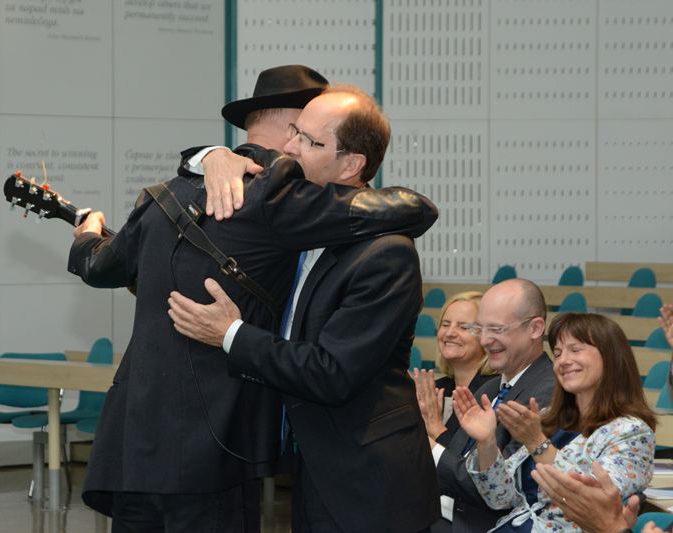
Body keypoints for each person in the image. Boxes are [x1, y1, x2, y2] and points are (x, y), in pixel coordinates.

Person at [68, 67, 439, 532]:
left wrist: (230, 333)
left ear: (350, 163)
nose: (291, 149)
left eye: (308, 139)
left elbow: (99, 265)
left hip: (350, 474)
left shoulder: (167, 198)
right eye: (295, 134)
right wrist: (213, 156)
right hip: (218, 447)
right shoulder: (280, 205)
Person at [455, 312, 657, 532]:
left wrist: (537, 443)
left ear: (610, 357)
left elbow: (591, 504)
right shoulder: (550, 417)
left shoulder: (632, 432)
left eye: (575, 350)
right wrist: (487, 442)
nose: (563, 361)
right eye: (558, 353)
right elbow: (500, 498)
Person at [432, 279, 556, 533]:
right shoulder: (490, 388)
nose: (486, 340)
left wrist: (429, 448)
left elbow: (498, 491)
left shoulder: (548, 392)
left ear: (535, 328)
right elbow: (458, 462)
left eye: (497, 329)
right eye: (481, 329)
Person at [410, 291, 497, 444]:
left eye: (463, 327)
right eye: (445, 324)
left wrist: (435, 426)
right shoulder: (435, 390)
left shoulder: (494, 393)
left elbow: (467, 458)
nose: (449, 333)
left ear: (485, 336)